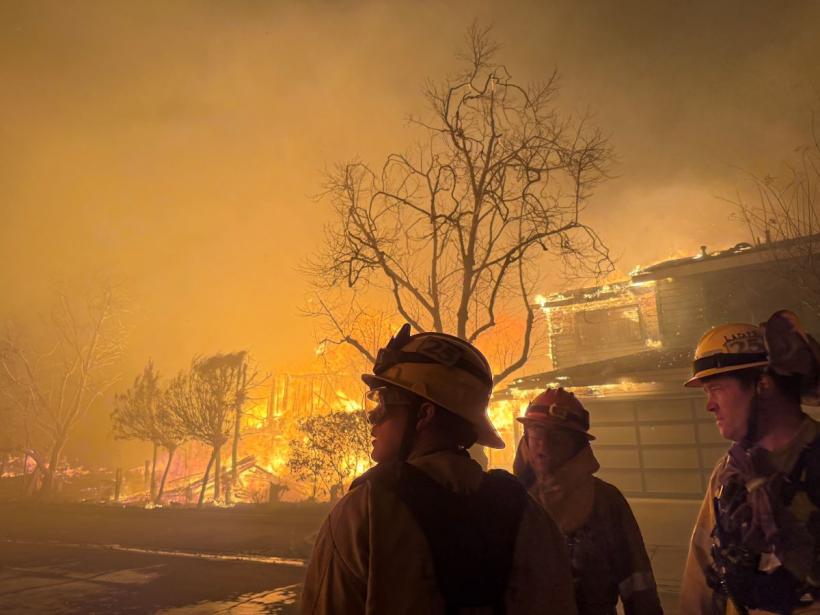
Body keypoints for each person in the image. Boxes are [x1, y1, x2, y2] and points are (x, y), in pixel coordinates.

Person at [300, 324, 577, 614]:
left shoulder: (364, 513)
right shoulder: (530, 516)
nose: (373, 417)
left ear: (424, 414)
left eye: (384, 402)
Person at [680, 310, 820, 615]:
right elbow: (701, 575)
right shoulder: (729, 474)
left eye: (716, 388)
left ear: (763, 385)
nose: (709, 405)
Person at [512, 387, 663, 615]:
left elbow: (637, 583)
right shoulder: (511, 499)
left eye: (556, 437)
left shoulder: (606, 502)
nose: (543, 446)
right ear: (525, 437)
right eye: (536, 434)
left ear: (577, 445)